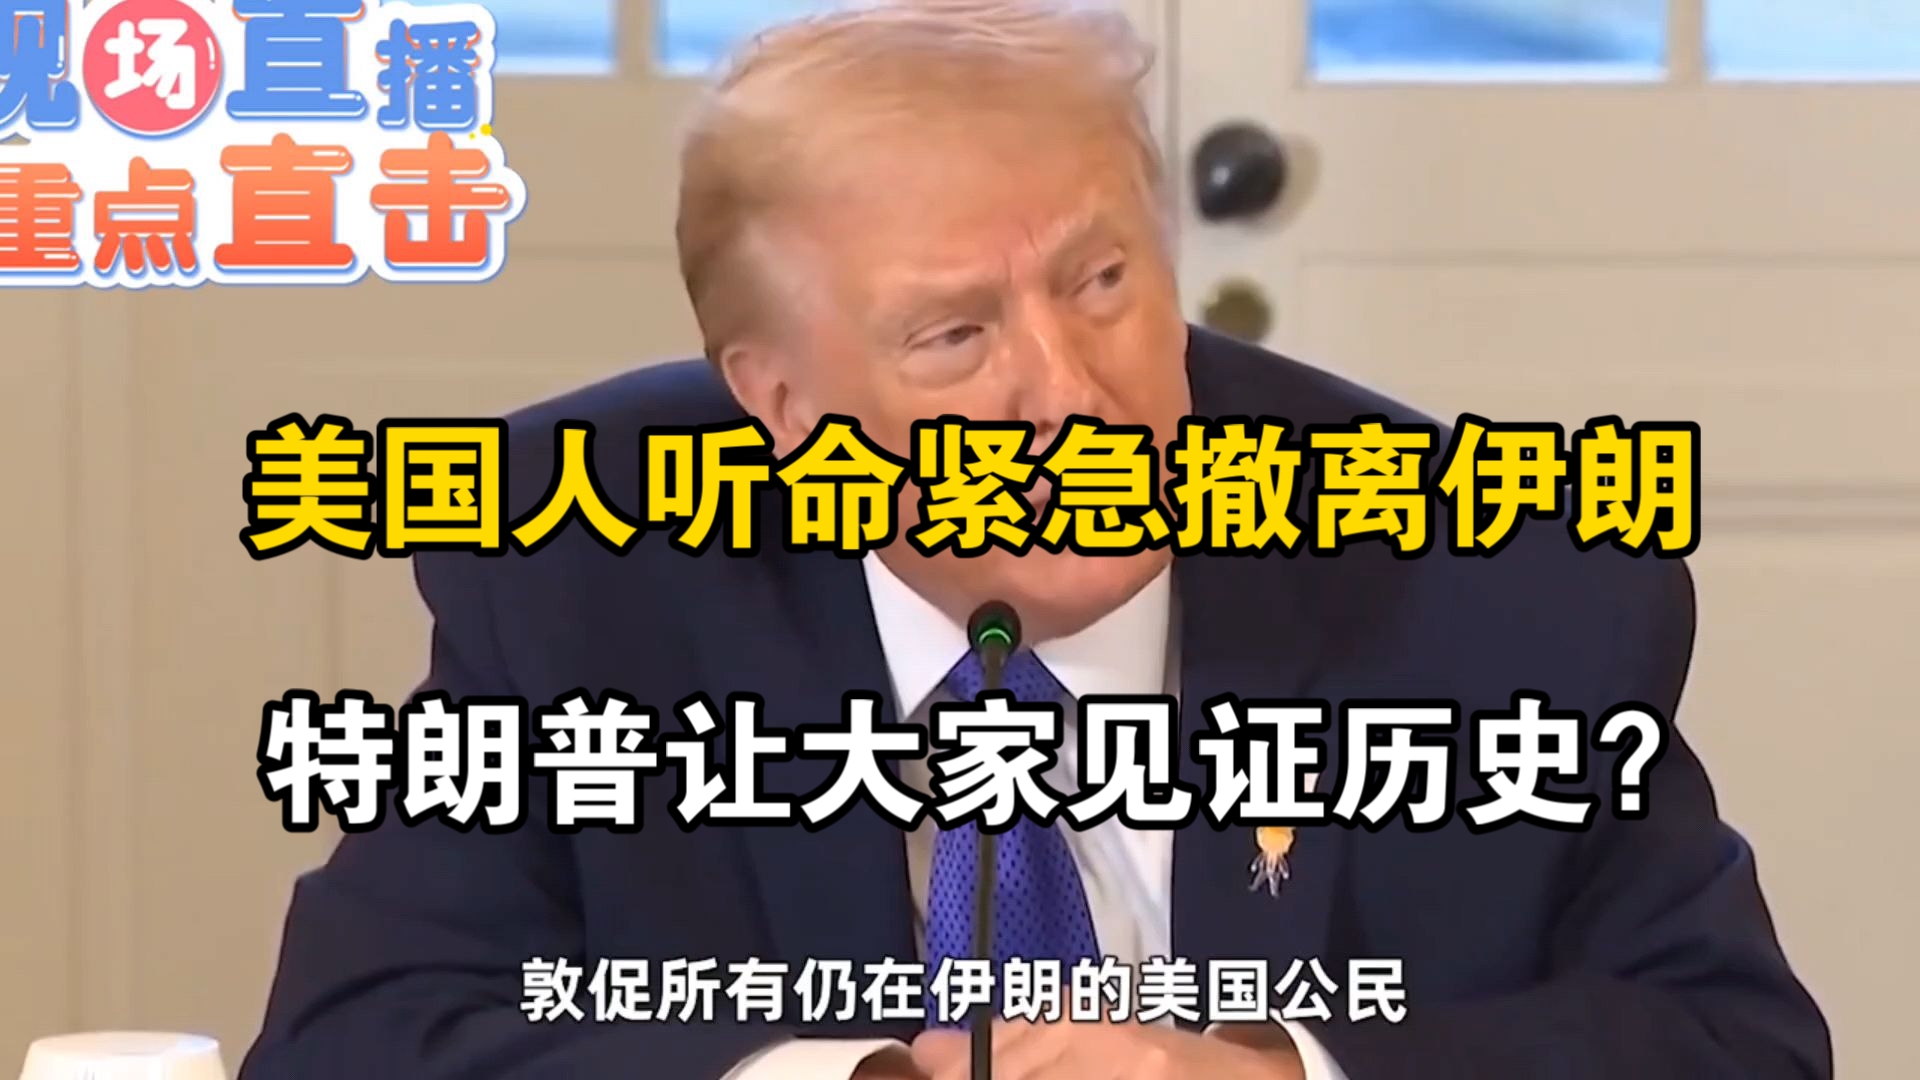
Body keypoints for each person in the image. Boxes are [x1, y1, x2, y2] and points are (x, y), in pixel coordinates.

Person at [239, 2, 1830, 1078]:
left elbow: (1732, 1044)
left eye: (1102, 282)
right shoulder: (584, 567)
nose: (1072, 394)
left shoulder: (1497, 579)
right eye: (954, 338)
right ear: (777, 402)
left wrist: (1285, 1076)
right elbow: (354, 1040)